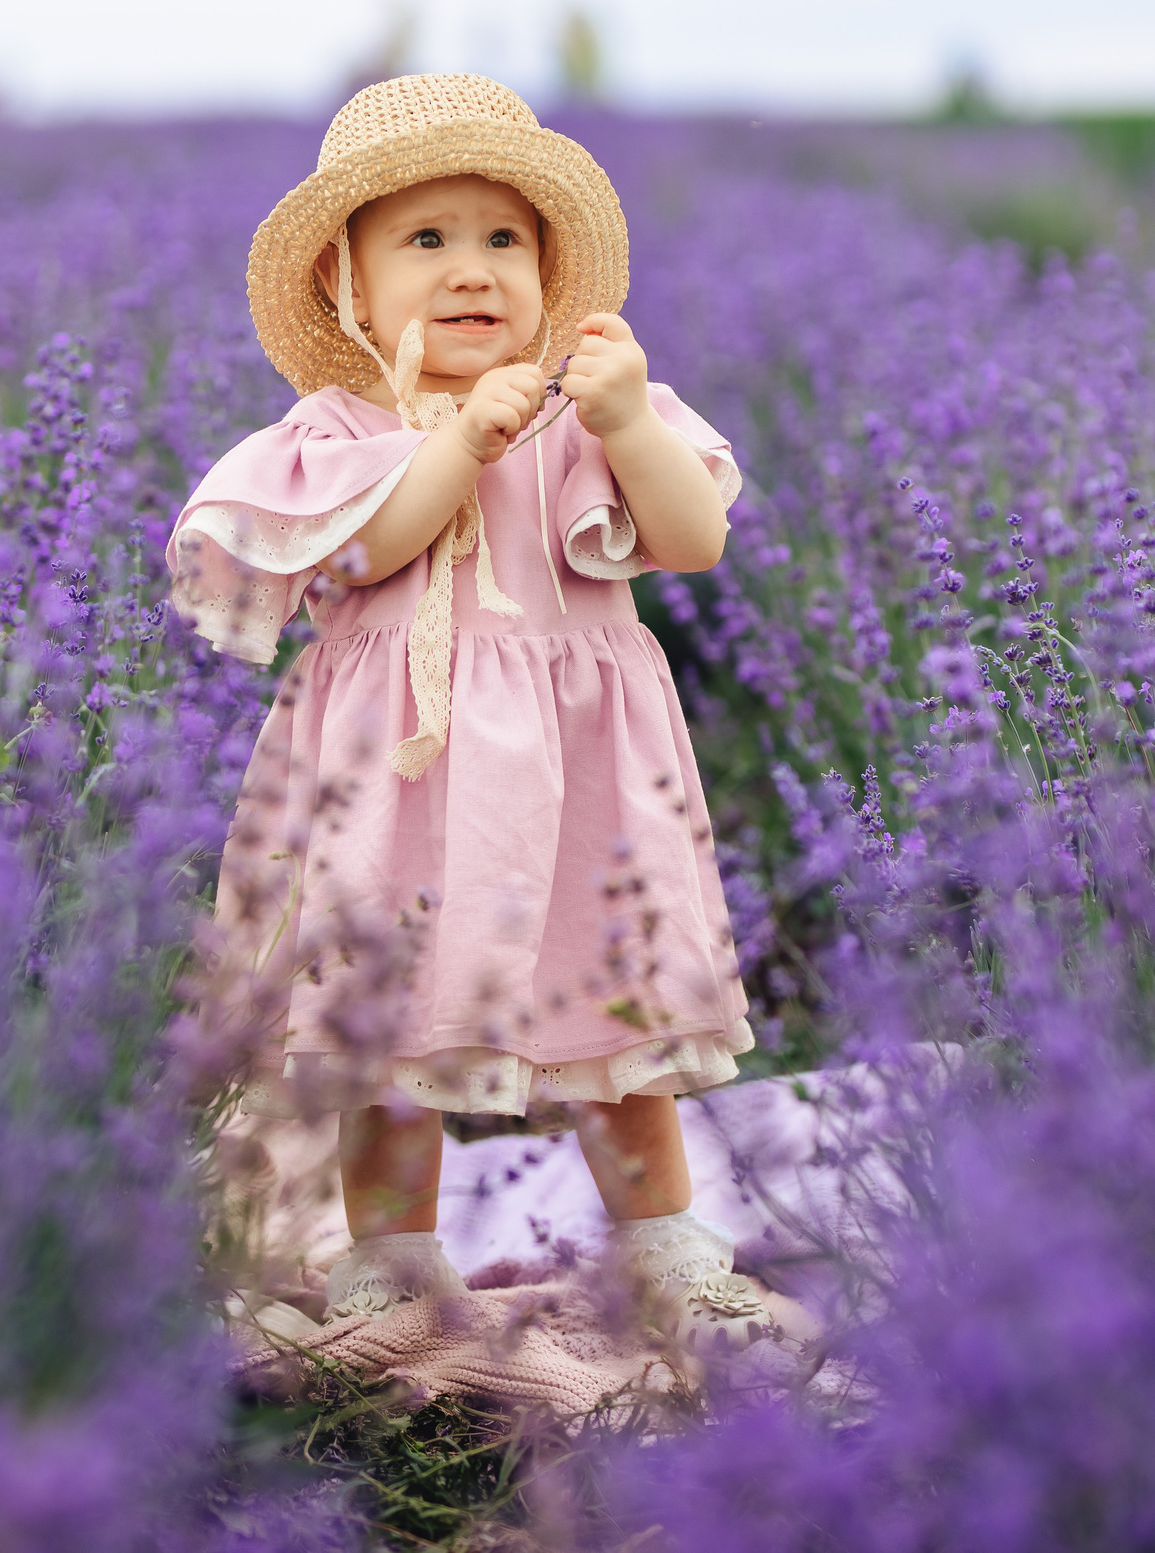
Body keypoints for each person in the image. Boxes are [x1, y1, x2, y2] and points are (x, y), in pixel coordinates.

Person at [167, 75, 768, 1348]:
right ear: (349, 280)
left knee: (616, 1008)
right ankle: (393, 1258)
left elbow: (694, 538)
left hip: (581, 772)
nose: (470, 270)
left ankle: (661, 1242)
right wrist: (457, 447)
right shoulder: (333, 430)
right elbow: (360, 557)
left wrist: (620, 423)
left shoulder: (587, 414)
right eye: (425, 241)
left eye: (503, 240)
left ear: (549, 274)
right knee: (382, 1018)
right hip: (392, 774)